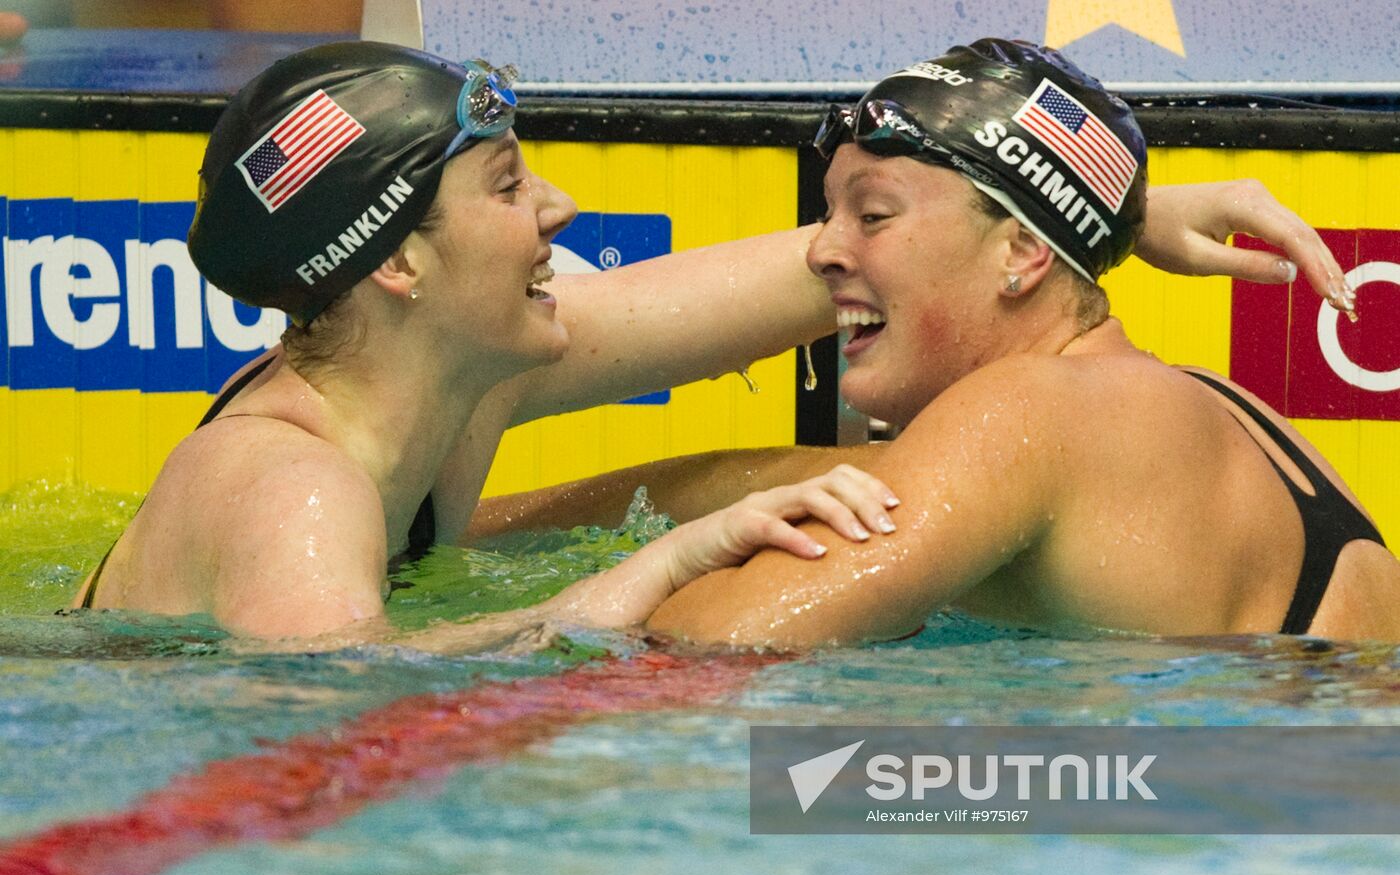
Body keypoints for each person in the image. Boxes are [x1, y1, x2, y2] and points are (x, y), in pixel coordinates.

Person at [72, 41, 1356, 648]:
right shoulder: (307, 482)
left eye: (872, 214)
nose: (559, 212)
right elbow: (321, 724)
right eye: (512, 185)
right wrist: (639, 566)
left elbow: (734, 630)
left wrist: (1108, 213)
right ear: (399, 264)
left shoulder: (434, 376)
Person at [488, 40, 1400, 645]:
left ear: (1022, 252)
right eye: (828, 210)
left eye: (873, 214)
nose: (820, 250)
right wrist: (503, 530)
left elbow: (701, 651)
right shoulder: (1217, 411)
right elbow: (783, 482)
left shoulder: (1029, 412)